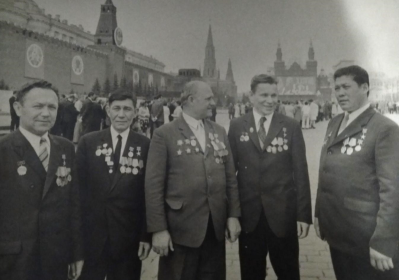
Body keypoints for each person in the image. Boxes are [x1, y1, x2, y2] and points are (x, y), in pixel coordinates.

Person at [145, 80, 241, 280]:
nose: (212, 102)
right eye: (208, 98)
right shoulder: (165, 134)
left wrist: (233, 215)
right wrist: (158, 229)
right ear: (190, 100)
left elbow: (230, 177)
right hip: (180, 230)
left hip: (214, 229)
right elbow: (153, 186)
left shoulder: (219, 131)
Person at [315, 65, 399, 280]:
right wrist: (319, 213)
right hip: (338, 231)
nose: (340, 93)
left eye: (346, 87)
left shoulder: (384, 128)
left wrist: (383, 242)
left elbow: (393, 189)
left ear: (365, 88)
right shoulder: (334, 123)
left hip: (366, 237)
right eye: (337, 88)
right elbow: (326, 170)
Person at [228, 74, 312, 280]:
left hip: (283, 216)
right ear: (251, 96)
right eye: (264, 95)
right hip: (249, 217)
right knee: (251, 273)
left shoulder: (290, 126)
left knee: (288, 272)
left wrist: (303, 215)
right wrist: (232, 214)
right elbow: (230, 174)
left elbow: (301, 173)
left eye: (274, 95)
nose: (270, 100)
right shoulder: (237, 125)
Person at [0, 80, 84, 280]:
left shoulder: (65, 148)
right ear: (18, 108)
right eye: (38, 106)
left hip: (56, 258)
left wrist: (76, 253)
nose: (46, 113)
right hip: (13, 260)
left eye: (52, 107)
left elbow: (74, 204)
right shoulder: (3, 149)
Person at [76, 89, 151, 280]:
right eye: (116, 108)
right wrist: (77, 241)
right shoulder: (88, 142)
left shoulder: (145, 145)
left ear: (135, 113)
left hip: (128, 238)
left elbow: (148, 194)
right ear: (108, 110)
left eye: (127, 109)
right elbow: (77, 193)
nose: (121, 114)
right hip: (92, 237)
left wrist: (145, 235)